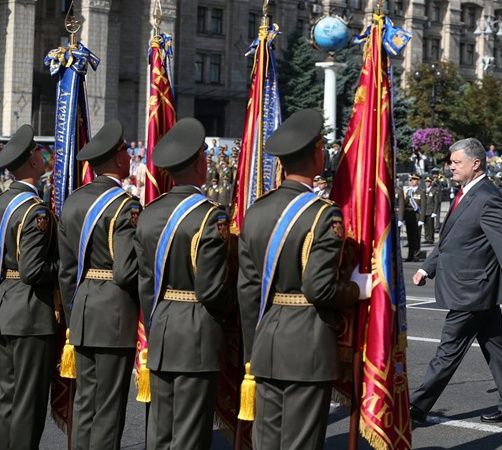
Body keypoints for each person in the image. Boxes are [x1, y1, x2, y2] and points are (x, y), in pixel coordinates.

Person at [237, 109, 366, 450]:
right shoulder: (324, 214)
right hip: (307, 345)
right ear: (316, 155)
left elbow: (248, 290)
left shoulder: (256, 210)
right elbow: (319, 287)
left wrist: (253, 348)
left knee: (266, 443)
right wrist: (356, 289)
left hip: (266, 341)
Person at [410, 138, 502, 425]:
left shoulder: (487, 196)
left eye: (456, 162)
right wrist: (427, 268)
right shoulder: (465, 192)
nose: (450, 167)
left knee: (448, 350)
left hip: (471, 289)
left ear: (475, 164)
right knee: (497, 346)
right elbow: (449, 239)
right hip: (473, 288)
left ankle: (415, 408)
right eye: (450, 162)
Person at [134, 118, 230, 449]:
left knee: (160, 433)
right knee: (190, 436)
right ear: (200, 163)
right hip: (196, 335)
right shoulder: (210, 217)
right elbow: (212, 290)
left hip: (161, 329)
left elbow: (145, 284)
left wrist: (159, 320)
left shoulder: (148, 213)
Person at [57, 120, 141, 450]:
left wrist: (72, 311)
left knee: (84, 403)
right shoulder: (125, 206)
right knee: (108, 409)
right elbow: (125, 270)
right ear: (118, 158)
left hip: (83, 310)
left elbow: (67, 271)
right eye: (125, 152)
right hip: (113, 313)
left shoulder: (74, 201)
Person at [0, 125, 59, 449]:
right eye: (38, 152)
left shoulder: (4, 201)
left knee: (7, 399)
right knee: (27, 403)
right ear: (32, 161)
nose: (42, 156)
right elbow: (33, 269)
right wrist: (67, 265)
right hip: (29, 314)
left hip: (5, 305)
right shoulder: (35, 211)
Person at [399, 174, 426, 262]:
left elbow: (423, 206)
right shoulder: (407, 191)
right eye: (411, 180)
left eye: (414, 180)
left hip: (417, 217)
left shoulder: (421, 192)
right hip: (409, 217)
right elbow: (404, 204)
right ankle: (410, 255)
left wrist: (422, 219)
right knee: (410, 238)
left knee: (416, 238)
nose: (412, 181)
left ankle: (416, 256)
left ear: (418, 181)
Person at [424, 177, 440, 244]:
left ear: (431, 182)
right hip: (424, 211)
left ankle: (431, 239)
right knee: (426, 226)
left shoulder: (434, 190)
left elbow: (436, 202)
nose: (427, 183)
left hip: (431, 210)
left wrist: (434, 212)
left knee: (430, 226)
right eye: (426, 182)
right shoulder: (424, 190)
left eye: (429, 181)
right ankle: (427, 238)